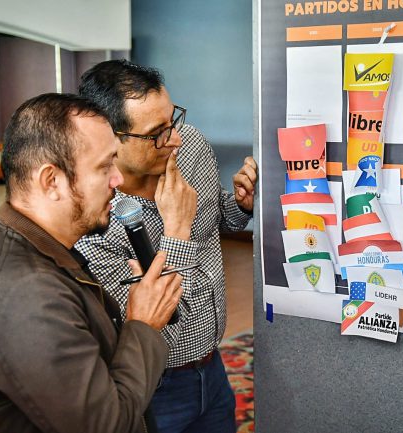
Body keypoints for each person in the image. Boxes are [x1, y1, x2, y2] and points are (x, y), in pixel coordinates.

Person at [0, 93, 183, 433]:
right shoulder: (28, 298)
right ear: (51, 181)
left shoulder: (44, 248)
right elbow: (107, 425)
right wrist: (143, 326)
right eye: (104, 166)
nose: (117, 180)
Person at [75, 59, 258, 433]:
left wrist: (239, 205)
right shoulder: (91, 223)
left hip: (213, 365)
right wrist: (177, 230)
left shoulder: (190, 146)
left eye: (173, 119)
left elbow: (215, 219)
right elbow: (160, 327)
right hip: (155, 390)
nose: (174, 138)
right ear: (110, 138)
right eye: (156, 132)